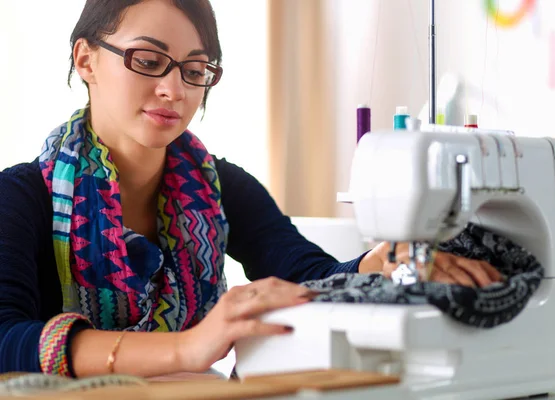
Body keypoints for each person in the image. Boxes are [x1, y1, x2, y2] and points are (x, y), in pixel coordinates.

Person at [0, 0, 502, 379]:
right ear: (86, 60)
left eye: (195, 71)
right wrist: (188, 347)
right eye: (148, 61)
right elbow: (6, 338)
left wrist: (383, 263)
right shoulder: (21, 197)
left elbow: (311, 277)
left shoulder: (222, 187)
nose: (175, 91)